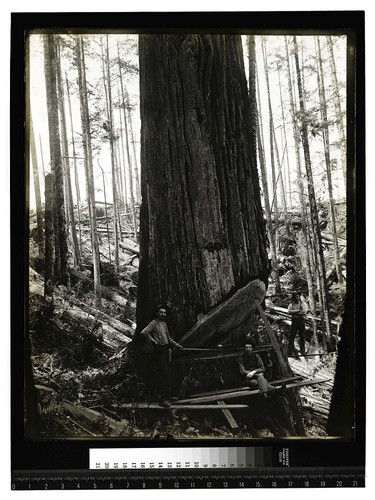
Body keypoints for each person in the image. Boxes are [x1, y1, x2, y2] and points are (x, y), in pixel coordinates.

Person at [141, 304, 184, 407]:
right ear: (157, 313)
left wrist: (177, 345)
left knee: (168, 373)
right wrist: (153, 341)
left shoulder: (164, 324)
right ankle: (162, 399)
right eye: (161, 312)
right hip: (158, 351)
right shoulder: (154, 323)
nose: (163, 314)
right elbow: (144, 332)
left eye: (164, 313)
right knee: (163, 374)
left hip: (165, 350)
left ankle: (168, 396)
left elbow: (168, 338)